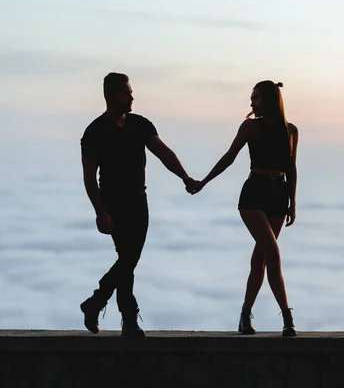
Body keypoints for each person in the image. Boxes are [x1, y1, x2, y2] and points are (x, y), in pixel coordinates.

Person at [79, 72, 198, 338]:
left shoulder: (140, 124)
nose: (132, 96)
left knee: (127, 260)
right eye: (126, 92)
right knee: (128, 259)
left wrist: (184, 177)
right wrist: (100, 212)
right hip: (113, 203)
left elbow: (164, 153)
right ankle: (128, 319)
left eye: (131, 92)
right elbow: (89, 178)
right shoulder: (94, 132)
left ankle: (96, 302)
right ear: (111, 95)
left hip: (138, 201)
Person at [188, 80, 299, 337]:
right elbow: (230, 156)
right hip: (254, 194)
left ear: (270, 100)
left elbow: (292, 168)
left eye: (256, 98)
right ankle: (287, 317)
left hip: (278, 195)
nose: (252, 103)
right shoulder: (250, 127)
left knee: (259, 258)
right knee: (272, 253)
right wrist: (204, 181)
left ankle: (244, 316)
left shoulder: (291, 131)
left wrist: (293, 201)